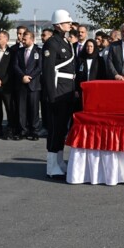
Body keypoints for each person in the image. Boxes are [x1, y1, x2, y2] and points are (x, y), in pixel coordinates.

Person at [42, 9, 77, 176]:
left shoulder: (66, 42)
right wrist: (51, 96)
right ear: (58, 25)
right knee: (56, 129)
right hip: (57, 90)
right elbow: (48, 72)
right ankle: (51, 166)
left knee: (62, 128)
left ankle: (59, 162)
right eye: (66, 22)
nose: (70, 24)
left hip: (67, 89)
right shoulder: (52, 43)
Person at [13, 31, 42, 141]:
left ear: (32, 39)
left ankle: (34, 131)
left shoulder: (38, 51)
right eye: (22, 39)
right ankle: (22, 131)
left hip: (33, 84)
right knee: (22, 109)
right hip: (21, 84)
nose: (22, 41)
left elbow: (39, 67)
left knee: (34, 109)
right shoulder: (19, 52)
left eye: (25, 39)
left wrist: (29, 77)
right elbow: (15, 66)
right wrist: (22, 76)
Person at [75, 39, 104, 110]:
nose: (89, 48)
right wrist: (76, 89)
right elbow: (77, 75)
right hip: (82, 88)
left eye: (91, 46)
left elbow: (103, 75)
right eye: (87, 46)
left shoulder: (99, 60)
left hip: (95, 88)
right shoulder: (80, 59)